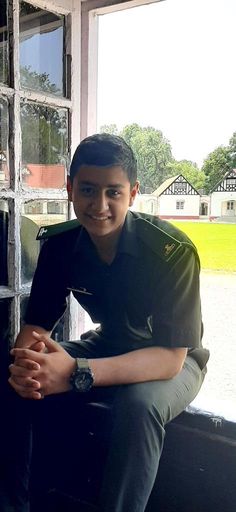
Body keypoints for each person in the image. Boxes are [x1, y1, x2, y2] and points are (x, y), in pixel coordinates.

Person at [8, 133, 209, 512]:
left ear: (133, 193)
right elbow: (36, 327)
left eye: (113, 192)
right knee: (16, 372)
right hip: (109, 342)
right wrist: (25, 363)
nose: (99, 205)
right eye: (87, 189)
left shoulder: (171, 252)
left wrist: (76, 371)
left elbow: (170, 359)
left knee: (140, 405)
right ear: (70, 189)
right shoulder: (60, 245)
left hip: (174, 358)